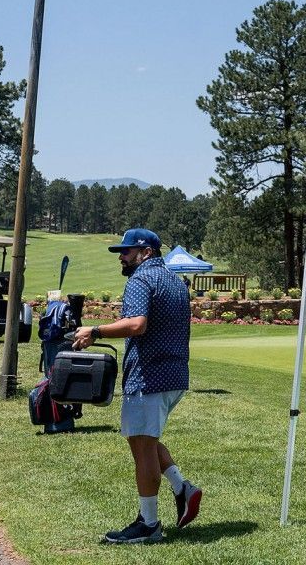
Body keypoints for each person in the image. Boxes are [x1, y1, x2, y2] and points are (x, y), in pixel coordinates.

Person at [71, 229, 202, 545]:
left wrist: (94, 330)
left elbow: (137, 324)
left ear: (146, 253)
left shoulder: (141, 280)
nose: (121, 257)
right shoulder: (175, 282)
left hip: (148, 377)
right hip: (174, 376)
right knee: (144, 438)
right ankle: (182, 487)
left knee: (142, 448)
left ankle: (149, 524)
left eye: (127, 251)